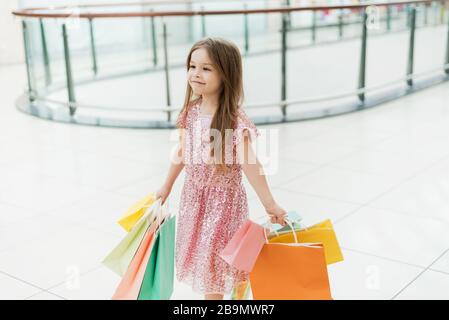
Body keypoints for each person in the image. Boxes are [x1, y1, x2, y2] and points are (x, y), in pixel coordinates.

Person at [156, 37, 287, 300]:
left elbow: (251, 164)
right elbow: (182, 151)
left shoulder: (235, 121)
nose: (196, 73)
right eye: (192, 66)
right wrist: (166, 186)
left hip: (223, 205)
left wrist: (270, 204)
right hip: (194, 200)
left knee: (214, 268)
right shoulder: (191, 112)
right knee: (207, 266)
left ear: (226, 74)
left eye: (206, 68)